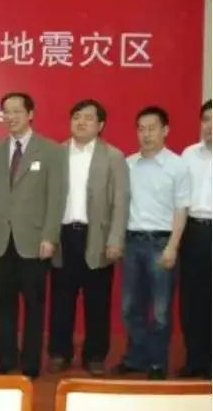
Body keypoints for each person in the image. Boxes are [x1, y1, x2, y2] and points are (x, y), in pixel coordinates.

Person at [0, 91, 66, 379]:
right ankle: (5, 358)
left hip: (34, 241)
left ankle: (31, 363)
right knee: (2, 303)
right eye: (6, 112)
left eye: (17, 111)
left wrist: (50, 236)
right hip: (1, 239)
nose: (11, 117)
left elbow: (56, 197)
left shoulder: (51, 150)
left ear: (30, 114)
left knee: (34, 305)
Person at [47, 99, 129, 376]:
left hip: (98, 237)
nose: (81, 122)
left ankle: (95, 355)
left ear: (100, 125)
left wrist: (115, 239)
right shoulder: (57, 153)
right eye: (76, 117)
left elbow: (120, 202)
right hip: (63, 236)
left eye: (88, 118)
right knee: (61, 299)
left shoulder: (113, 156)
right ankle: (60, 353)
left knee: (97, 300)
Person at [113, 106, 190, 380]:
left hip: (161, 243)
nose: (146, 134)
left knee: (160, 312)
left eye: (152, 128)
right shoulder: (128, 164)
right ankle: (136, 358)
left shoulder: (178, 166)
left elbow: (181, 209)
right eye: (141, 129)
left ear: (165, 130)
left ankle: (157, 363)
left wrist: (173, 246)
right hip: (132, 243)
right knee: (130, 308)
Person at [177, 100, 212, 379]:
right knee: (191, 299)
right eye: (206, 119)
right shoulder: (188, 155)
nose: (210, 126)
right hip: (192, 232)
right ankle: (195, 361)